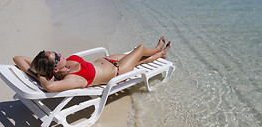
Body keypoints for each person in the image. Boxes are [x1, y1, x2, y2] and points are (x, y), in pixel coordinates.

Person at [13, 36, 171, 92]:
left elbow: (17, 58)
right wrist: (41, 75)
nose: (60, 54)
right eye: (57, 56)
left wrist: (36, 71)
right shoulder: (73, 79)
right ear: (55, 68)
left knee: (139, 58)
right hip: (118, 70)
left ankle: (160, 54)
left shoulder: (61, 67)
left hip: (108, 60)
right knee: (141, 49)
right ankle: (157, 48)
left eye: (55, 52)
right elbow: (49, 87)